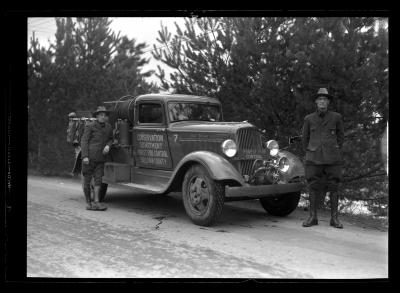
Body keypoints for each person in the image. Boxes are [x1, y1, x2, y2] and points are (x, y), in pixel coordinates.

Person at [301, 88, 345, 229]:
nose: (322, 102)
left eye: (325, 99)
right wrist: (310, 151)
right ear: (316, 102)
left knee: (334, 187)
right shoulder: (309, 119)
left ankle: (334, 219)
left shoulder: (336, 117)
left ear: (328, 102)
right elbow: (304, 139)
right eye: (320, 99)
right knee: (312, 187)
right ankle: (313, 217)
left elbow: (341, 137)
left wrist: (334, 149)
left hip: (332, 158)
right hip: (313, 158)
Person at [81, 105, 113, 211]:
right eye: (101, 115)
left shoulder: (109, 127)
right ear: (97, 116)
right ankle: (88, 202)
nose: (103, 117)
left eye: (105, 115)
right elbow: (84, 141)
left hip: (101, 159)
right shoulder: (90, 126)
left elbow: (111, 139)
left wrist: (108, 145)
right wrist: (85, 156)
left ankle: (96, 202)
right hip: (89, 158)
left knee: (98, 181)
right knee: (87, 181)